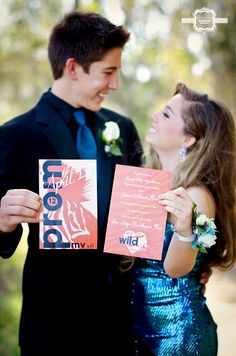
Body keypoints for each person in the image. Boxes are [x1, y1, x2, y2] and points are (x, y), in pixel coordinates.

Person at [0, 11, 143, 356]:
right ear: (73, 67)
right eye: (108, 72)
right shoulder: (15, 135)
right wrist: (2, 221)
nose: (115, 85)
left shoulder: (122, 128)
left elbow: (138, 226)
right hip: (54, 326)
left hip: (121, 323)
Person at [131, 83, 236, 355]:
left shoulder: (196, 196)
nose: (154, 116)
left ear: (188, 139)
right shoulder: (149, 184)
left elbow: (176, 269)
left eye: (166, 115)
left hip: (177, 335)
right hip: (139, 328)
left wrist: (184, 230)